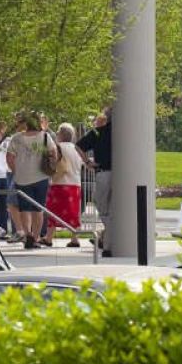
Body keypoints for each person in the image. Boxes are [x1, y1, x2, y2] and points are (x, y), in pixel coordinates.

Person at [6, 114, 57, 250]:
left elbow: (9, 157)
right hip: (41, 177)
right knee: (38, 208)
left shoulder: (17, 138)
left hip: (22, 178)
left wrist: (16, 171)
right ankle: (36, 237)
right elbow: (54, 153)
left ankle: (27, 234)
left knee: (24, 208)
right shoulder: (45, 136)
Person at [77, 108, 113, 254]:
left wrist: (87, 162)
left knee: (103, 209)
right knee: (113, 210)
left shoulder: (99, 132)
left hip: (103, 173)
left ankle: (108, 241)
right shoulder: (127, 133)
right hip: (124, 176)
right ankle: (107, 240)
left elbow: (79, 146)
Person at [44, 123, 84, 248]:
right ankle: (75, 239)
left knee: (52, 211)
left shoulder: (57, 147)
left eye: (57, 132)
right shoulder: (77, 149)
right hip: (75, 184)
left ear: (61, 135)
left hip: (59, 183)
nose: (56, 135)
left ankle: (49, 238)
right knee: (74, 212)